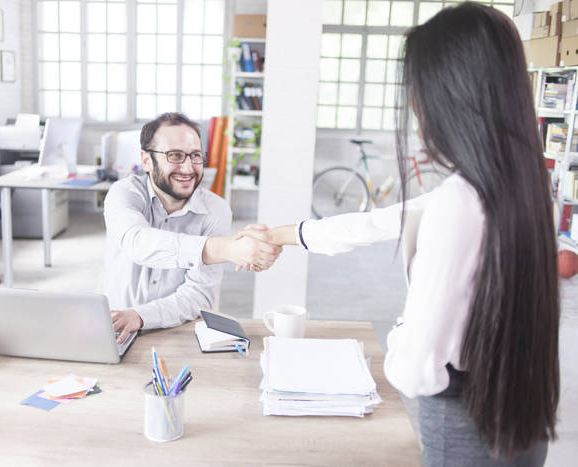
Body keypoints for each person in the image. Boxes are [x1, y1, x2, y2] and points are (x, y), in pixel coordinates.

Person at [240, 4, 559, 465]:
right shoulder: (517, 187)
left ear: (449, 95)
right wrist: (286, 234)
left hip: (463, 423)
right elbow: (382, 221)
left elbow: (414, 372)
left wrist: (399, 333)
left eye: (418, 90)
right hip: (516, 415)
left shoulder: (459, 202)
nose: (414, 107)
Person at [104, 112, 281, 343]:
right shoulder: (124, 193)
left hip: (177, 331)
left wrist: (140, 315)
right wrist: (224, 249)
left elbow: (197, 295)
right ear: (146, 160)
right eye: (175, 155)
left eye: (195, 155)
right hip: (114, 327)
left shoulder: (216, 210)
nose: (188, 168)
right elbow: (138, 243)